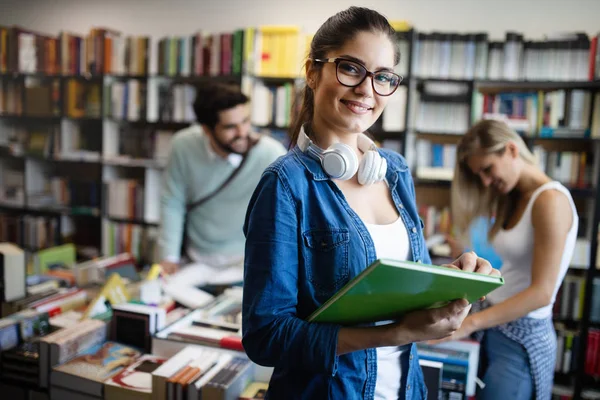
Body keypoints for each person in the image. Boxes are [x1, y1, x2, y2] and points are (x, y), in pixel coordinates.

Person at [241, 7, 500, 399]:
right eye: (350, 68)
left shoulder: (394, 172)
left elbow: (406, 288)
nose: (367, 90)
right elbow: (265, 336)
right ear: (313, 72)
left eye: (382, 77)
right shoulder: (285, 184)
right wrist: (396, 333)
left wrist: (452, 282)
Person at [435, 119, 578, 400]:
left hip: (522, 338)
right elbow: (514, 269)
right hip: (496, 327)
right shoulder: (514, 197)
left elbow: (542, 293)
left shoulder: (550, 201)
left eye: (488, 170)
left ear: (511, 150)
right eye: (480, 175)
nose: (486, 182)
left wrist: (471, 324)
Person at [159, 82, 287, 274]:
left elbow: (284, 216)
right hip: (197, 260)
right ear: (207, 130)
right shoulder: (183, 146)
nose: (242, 133)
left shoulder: (271, 154)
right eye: (230, 127)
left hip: (247, 263)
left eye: (245, 121)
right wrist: (169, 256)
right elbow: (172, 202)